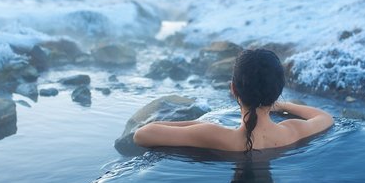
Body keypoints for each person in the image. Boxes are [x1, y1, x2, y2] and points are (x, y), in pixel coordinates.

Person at [133, 48, 334, 153]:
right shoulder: (293, 130)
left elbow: (142, 134)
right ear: (278, 91)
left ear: (233, 89)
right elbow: (325, 118)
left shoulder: (213, 134)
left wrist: (197, 124)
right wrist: (280, 105)